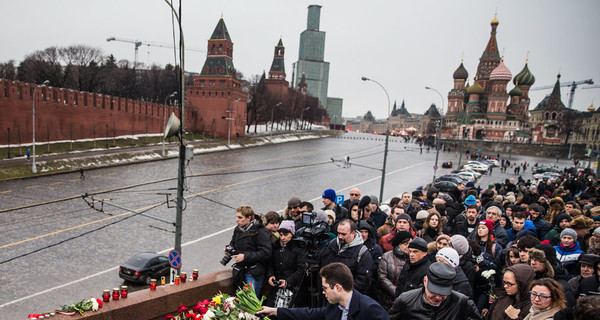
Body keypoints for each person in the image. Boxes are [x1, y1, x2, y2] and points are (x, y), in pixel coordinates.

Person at [258, 262, 390, 320]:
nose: (322, 292)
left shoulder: (370, 309)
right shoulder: (335, 307)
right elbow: (308, 314)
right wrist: (275, 311)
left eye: (325, 288)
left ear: (338, 287)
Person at [388, 262, 481, 320]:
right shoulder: (405, 301)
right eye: (434, 291)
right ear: (425, 281)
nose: (438, 297)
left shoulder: (463, 304)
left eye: (444, 293)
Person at [319, 219, 373, 294]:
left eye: (344, 234)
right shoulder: (331, 245)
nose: (340, 237)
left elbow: (363, 281)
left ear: (353, 233)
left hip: (346, 297)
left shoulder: (362, 253)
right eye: (338, 233)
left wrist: (343, 293)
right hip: (326, 293)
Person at [228, 205, 272, 295]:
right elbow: (233, 243)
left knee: (250, 303)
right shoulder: (238, 229)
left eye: (240, 217)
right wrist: (229, 248)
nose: (237, 220)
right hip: (240, 271)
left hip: (254, 272)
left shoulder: (260, 231)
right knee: (241, 303)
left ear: (249, 218)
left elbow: (266, 253)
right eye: (236, 217)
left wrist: (245, 257)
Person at [265, 221, 306, 307]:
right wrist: (270, 275)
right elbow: (270, 264)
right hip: (276, 286)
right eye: (281, 235)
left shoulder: (298, 248)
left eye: (286, 235)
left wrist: (288, 281)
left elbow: (301, 269)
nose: (283, 238)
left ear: (292, 233)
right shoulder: (275, 246)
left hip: (292, 287)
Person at [377, 231, 412, 310]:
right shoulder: (387, 256)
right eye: (405, 244)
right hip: (388, 299)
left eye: (410, 244)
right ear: (398, 244)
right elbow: (382, 277)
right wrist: (396, 292)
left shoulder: (412, 258)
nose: (408, 247)